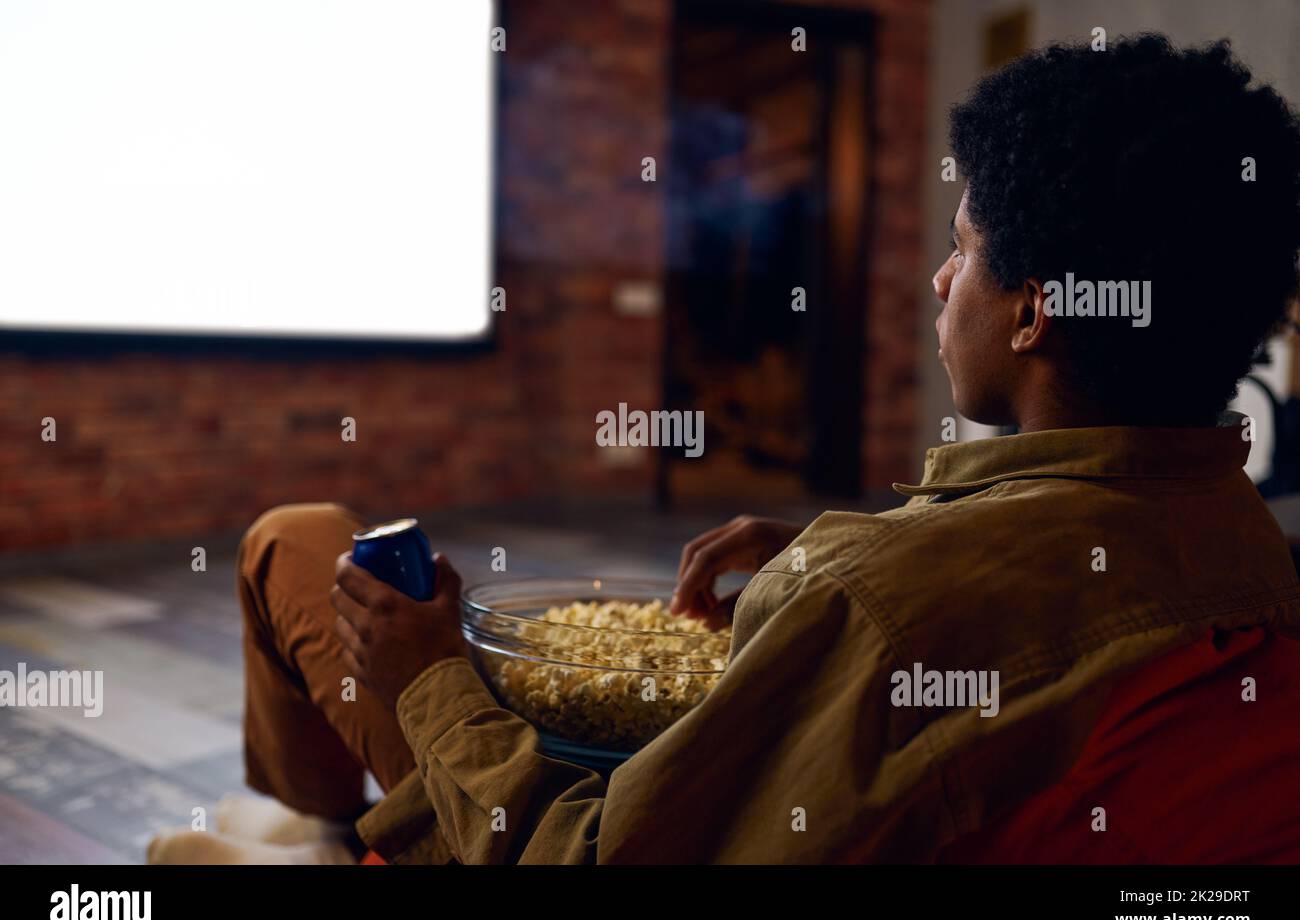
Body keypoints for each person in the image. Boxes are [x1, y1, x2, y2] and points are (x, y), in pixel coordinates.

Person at [152, 34, 1300, 864]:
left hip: (540, 832)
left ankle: (337, 842)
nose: (941, 283)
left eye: (961, 250)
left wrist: (430, 681)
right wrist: (838, 562)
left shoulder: (874, 600)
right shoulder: (1249, 547)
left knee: (296, 542)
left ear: (1032, 314)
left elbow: (588, 856)